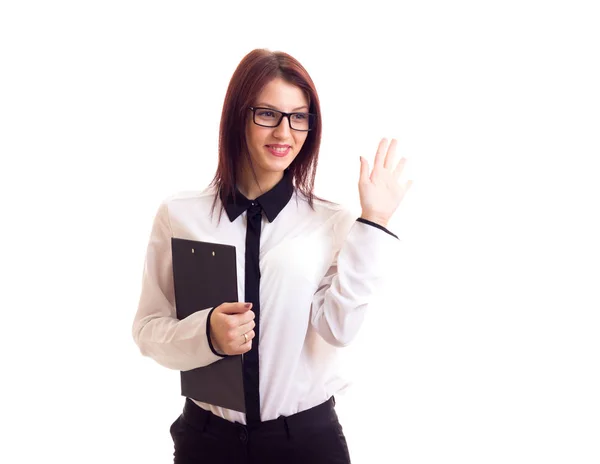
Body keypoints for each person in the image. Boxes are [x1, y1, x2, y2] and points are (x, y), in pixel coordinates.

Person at [132, 48, 412, 464]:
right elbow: (148, 330)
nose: (285, 132)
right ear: (237, 117)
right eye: (267, 114)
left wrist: (373, 222)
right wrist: (206, 334)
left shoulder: (330, 221)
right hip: (207, 441)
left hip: (303, 442)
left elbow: (338, 329)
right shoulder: (180, 215)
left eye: (299, 117)